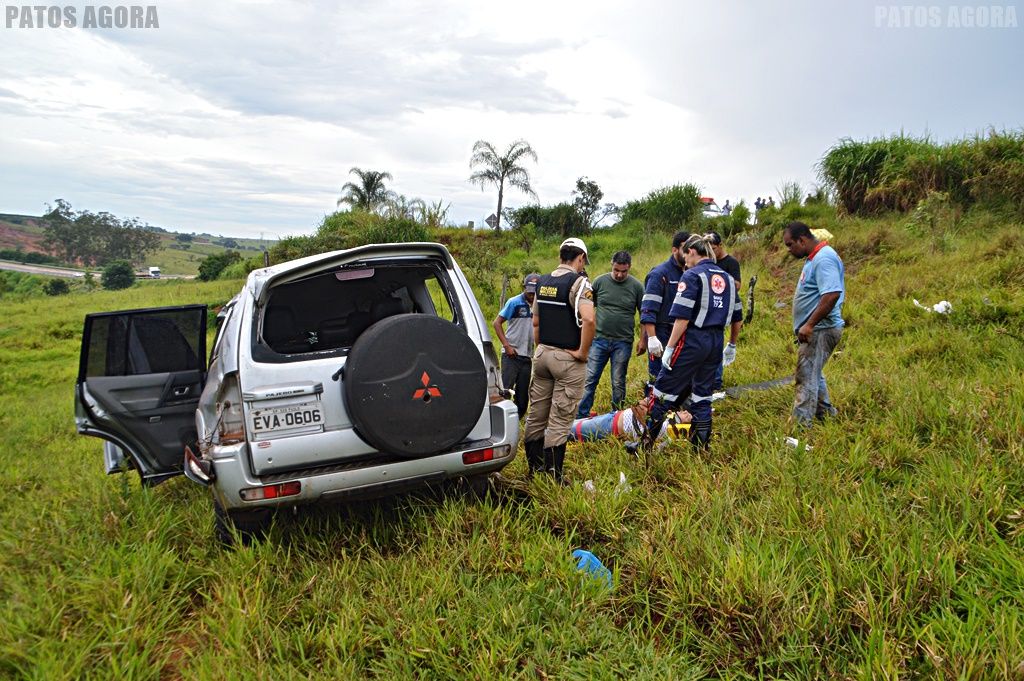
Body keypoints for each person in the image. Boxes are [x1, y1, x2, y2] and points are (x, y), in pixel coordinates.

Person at [643, 234, 742, 452]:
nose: (684, 261)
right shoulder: (728, 278)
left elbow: (682, 318)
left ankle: (646, 443)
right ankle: (701, 446)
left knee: (661, 391)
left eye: (686, 255)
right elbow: (737, 317)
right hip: (717, 340)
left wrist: (669, 347)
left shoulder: (691, 276)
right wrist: (732, 344)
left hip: (692, 340)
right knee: (703, 394)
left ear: (693, 252)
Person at [522, 237, 595, 483]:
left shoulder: (542, 282)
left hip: (542, 354)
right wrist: (583, 353)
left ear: (560, 256)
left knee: (536, 414)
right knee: (560, 418)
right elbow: (589, 319)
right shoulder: (580, 283)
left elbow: (536, 322)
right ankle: (554, 476)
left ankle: (534, 470)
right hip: (567, 358)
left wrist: (541, 349)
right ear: (580, 258)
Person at [782, 221, 845, 427]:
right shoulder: (814, 258)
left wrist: (809, 324)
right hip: (817, 328)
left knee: (806, 376)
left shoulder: (824, 259)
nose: (789, 250)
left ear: (802, 240)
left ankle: (800, 426)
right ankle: (826, 414)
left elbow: (832, 294)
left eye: (790, 245)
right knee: (814, 373)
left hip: (821, 329)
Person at [576, 251, 644, 418]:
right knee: (590, 379)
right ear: (611, 265)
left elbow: (645, 315)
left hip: (623, 342)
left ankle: (617, 416)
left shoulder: (636, 286)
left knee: (618, 381)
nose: (619, 274)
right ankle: (581, 416)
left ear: (629, 268)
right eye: (616, 270)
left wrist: (643, 340)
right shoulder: (600, 282)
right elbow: (588, 309)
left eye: (624, 271)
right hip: (598, 339)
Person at [640, 230, 690, 384]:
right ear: (674, 250)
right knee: (659, 376)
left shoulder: (692, 273)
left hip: (684, 331)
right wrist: (652, 338)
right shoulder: (660, 274)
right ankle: (655, 405)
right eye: (685, 249)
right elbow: (648, 308)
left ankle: (677, 407)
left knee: (682, 375)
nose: (689, 253)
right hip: (662, 331)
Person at [492, 273, 541, 418]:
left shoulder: (539, 305)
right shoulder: (514, 302)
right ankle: (501, 419)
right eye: (530, 292)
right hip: (511, 355)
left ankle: (517, 420)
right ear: (524, 288)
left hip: (527, 356)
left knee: (523, 394)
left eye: (535, 292)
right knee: (506, 390)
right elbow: (496, 323)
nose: (532, 295)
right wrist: (507, 346)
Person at [706, 231, 742, 396]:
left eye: (713, 248)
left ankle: (716, 382)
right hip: (709, 306)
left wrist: (721, 278)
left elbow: (737, 285)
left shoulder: (730, 262)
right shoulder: (707, 261)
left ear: (720, 246)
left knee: (717, 343)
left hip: (727, 302)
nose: (711, 252)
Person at [569, 401, 693, 446]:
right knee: (568, 424)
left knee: (564, 430)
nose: (685, 411)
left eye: (686, 414)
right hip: (613, 417)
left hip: (610, 426)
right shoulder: (668, 419)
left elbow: (643, 409)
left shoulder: (668, 429)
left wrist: (676, 418)